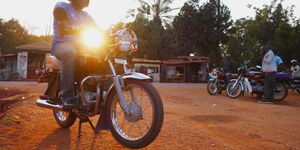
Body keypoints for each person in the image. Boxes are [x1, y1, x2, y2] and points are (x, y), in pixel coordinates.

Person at [51, 0, 98, 108]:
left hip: (81, 47)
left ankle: (95, 90)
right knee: (70, 52)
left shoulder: (85, 16)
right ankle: (66, 97)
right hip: (61, 45)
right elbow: (59, 12)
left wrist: (114, 33)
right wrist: (65, 23)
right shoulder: (63, 6)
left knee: (100, 54)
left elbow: (97, 29)